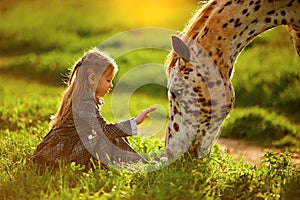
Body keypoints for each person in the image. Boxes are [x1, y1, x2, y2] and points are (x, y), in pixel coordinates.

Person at [32, 48, 156, 172]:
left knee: (113, 134)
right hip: (63, 152)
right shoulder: (84, 103)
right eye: (108, 80)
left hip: (71, 145)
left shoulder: (83, 97)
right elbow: (104, 130)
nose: (111, 85)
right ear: (92, 79)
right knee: (108, 137)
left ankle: (137, 163)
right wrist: (136, 121)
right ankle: (137, 165)